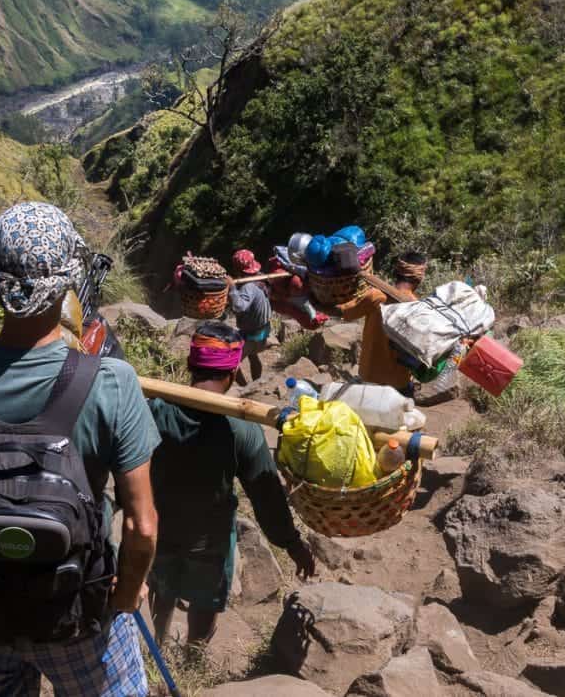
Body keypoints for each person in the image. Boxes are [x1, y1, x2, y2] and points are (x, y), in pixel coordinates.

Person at [0, 202, 159, 697]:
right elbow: (142, 528)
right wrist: (123, 600)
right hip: (80, 616)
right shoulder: (111, 382)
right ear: (69, 281)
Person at [147, 321, 316, 646]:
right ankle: (194, 654)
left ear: (190, 364)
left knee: (161, 588)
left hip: (160, 530)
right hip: (210, 542)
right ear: (234, 371)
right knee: (205, 601)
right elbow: (266, 495)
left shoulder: (156, 410)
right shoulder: (241, 429)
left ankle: (157, 642)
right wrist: (291, 542)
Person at [337, 251, 428, 397]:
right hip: (399, 384)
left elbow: (344, 312)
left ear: (396, 272)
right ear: (419, 278)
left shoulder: (376, 296)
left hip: (369, 378)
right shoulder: (418, 308)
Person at [225, 249, 272, 382]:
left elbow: (239, 307)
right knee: (253, 355)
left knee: (231, 362)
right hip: (262, 329)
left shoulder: (249, 287)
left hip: (253, 334)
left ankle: (244, 388)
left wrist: (232, 288)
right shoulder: (261, 277)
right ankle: (256, 383)